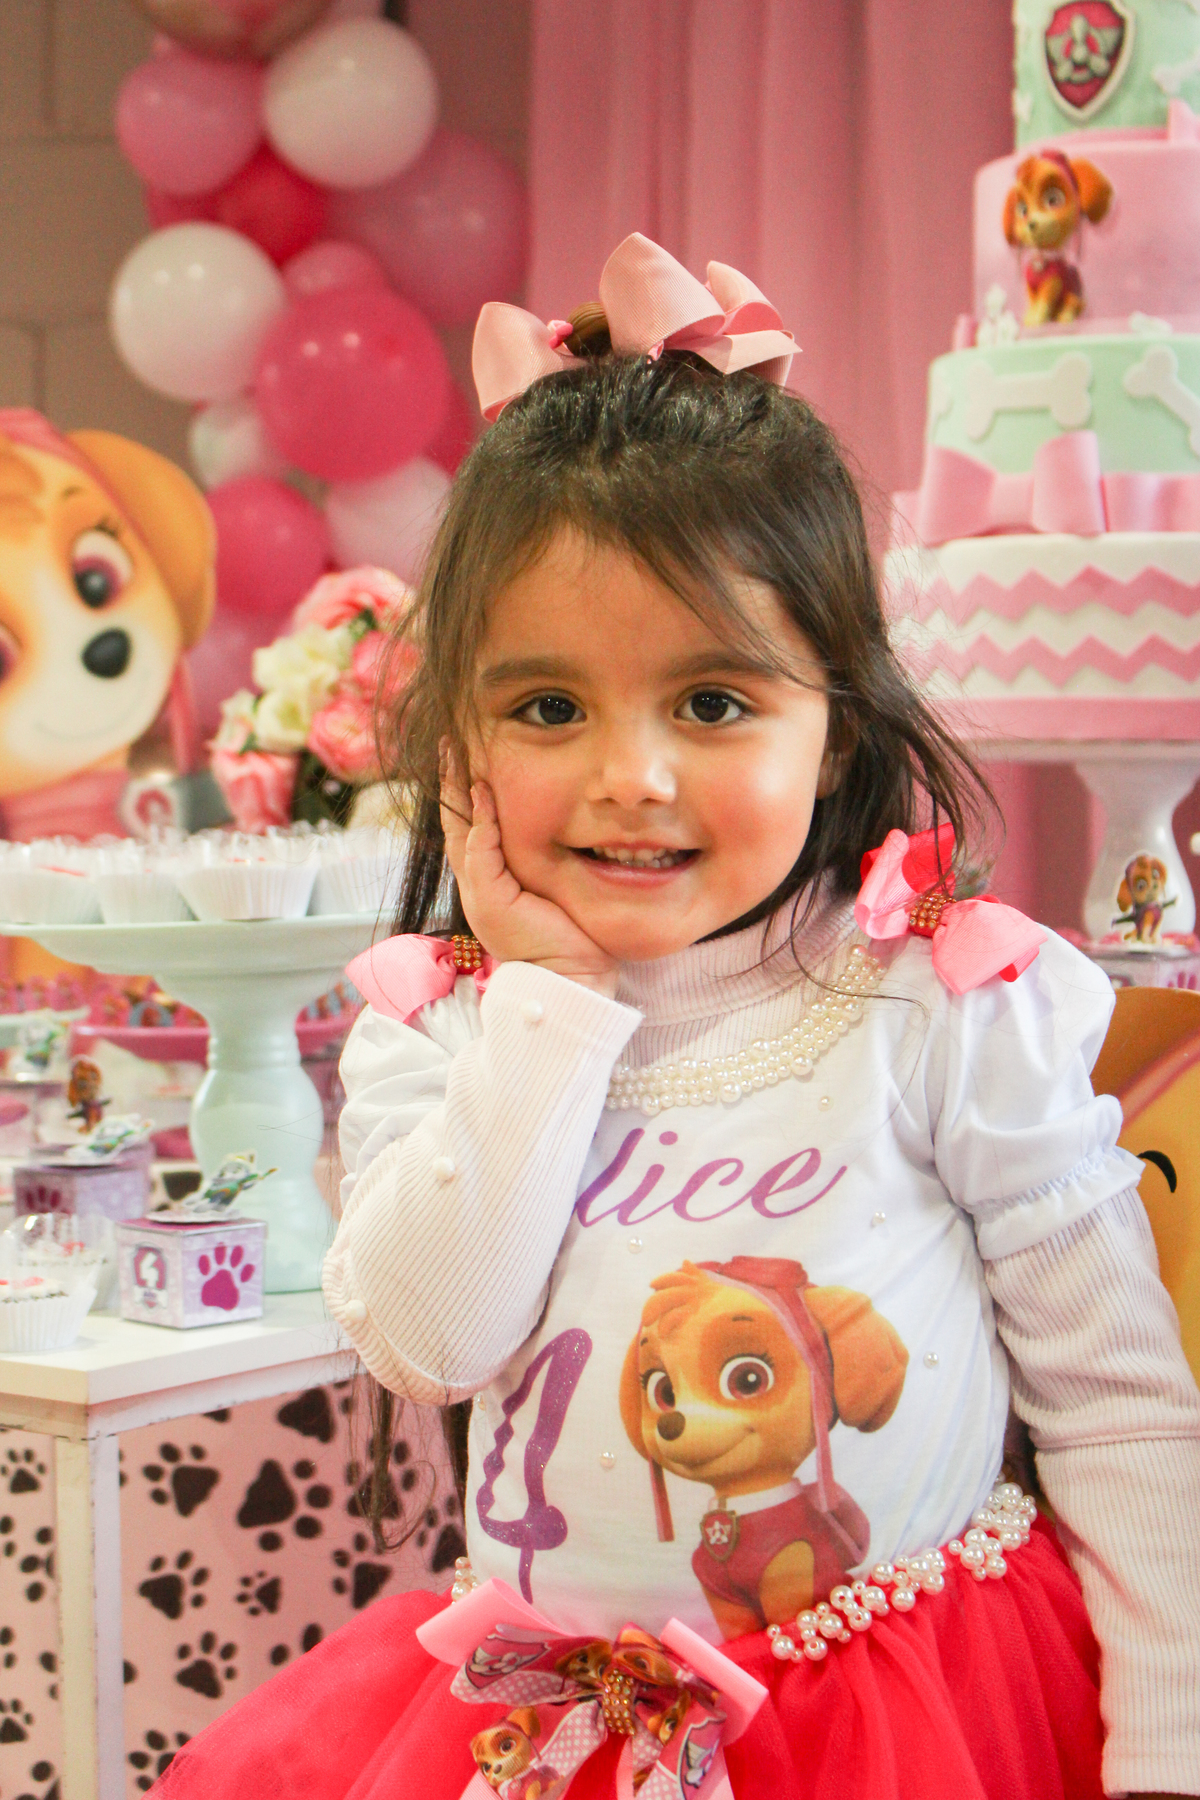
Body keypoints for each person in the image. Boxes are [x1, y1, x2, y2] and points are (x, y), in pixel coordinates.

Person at [154, 236, 1200, 1800]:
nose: (629, 776)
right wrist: (550, 1000)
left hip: (904, 1728)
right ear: (459, 735)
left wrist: (1169, 1752)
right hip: (550, 1738)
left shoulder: (942, 1003)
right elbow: (434, 1344)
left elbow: (1118, 1413)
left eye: (712, 703)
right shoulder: (445, 1023)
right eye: (547, 707)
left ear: (833, 720)